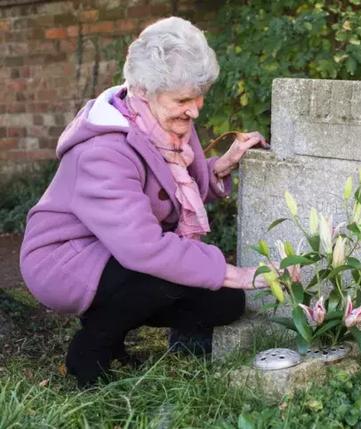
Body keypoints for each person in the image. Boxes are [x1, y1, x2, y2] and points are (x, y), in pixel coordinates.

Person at [19, 16, 269, 387]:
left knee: (226, 303)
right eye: (184, 99)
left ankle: (113, 321)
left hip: (119, 249)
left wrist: (220, 168)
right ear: (143, 91)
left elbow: (172, 195)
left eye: (200, 96)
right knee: (159, 278)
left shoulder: (166, 126)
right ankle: (90, 352)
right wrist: (237, 273)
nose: (195, 109)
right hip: (65, 258)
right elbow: (144, 249)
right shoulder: (103, 151)